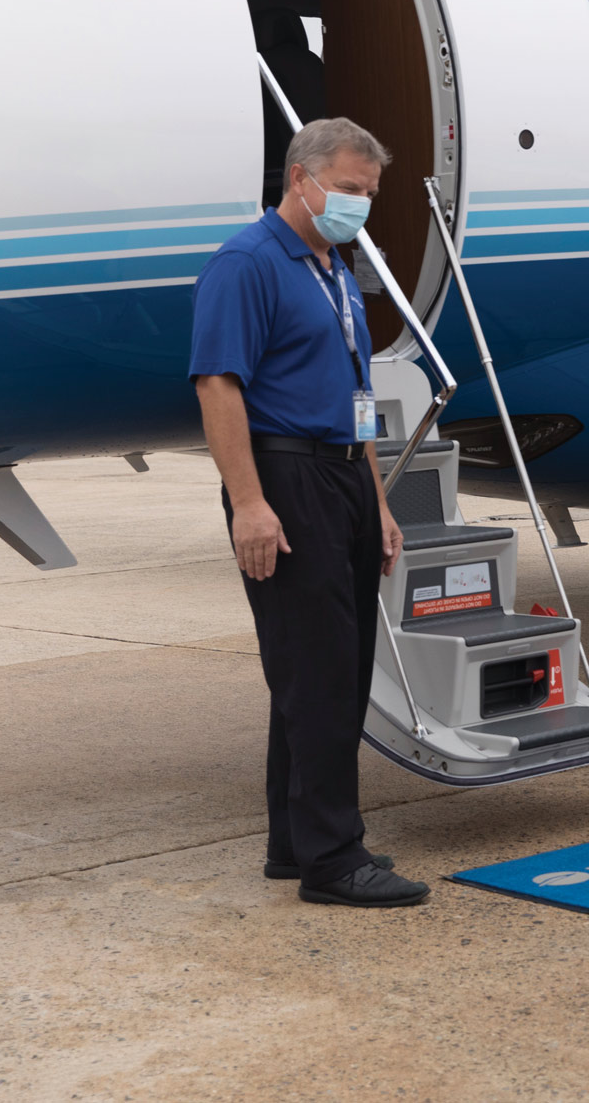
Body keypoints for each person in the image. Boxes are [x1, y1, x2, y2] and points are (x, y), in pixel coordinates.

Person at [188, 117, 427, 908]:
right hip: (285, 478)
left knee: (333, 667)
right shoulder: (248, 263)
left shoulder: (332, 267)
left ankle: (295, 841)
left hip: (343, 476)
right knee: (318, 667)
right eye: (351, 190)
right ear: (302, 178)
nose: (361, 205)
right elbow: (219, 384)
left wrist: (378, 500)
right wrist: (250, 503)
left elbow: (356, 400)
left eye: (369, 193)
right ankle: (334, 857)